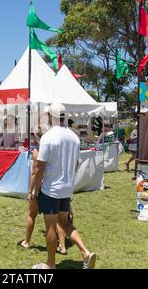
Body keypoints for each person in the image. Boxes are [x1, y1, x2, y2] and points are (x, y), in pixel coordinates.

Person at [32, 103, 96, 270]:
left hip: (51, 188)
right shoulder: (74, 137)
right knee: (65, 223)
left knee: (51, 226)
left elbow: (40, 167)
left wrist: (36, 189)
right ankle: (85, 252)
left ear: (50, 116)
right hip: (67, 187)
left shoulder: (48, 137)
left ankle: (50, 264)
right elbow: (76, 163)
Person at [18, 124, 68, 255]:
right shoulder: (55, 148)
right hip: (55, 186)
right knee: (58, 219)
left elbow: (34, 173)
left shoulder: (37, 151)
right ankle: (62, 245)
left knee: (32, 214)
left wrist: (30, 191)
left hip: (41, 187)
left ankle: (27, 241)